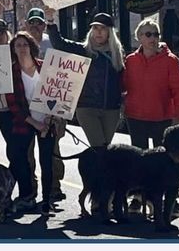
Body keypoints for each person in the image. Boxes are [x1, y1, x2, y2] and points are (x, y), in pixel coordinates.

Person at [2, 33, 65, 216]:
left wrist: (51, 117)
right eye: (17, 45)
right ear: (13, 50)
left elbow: (57, 93)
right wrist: (35, 123)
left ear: (31, 46)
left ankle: (47, 200)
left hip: (47, 120)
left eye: (24, 44)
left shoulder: (45, 67)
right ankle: (28, 196)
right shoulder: (11, 72)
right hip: (25, 122)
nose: (21, 48)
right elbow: (13, 105)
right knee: (22, 159)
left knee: (47, 161)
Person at [47, 12, 125, 149]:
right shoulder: (83, 50)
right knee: (99, 147)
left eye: (102, 28)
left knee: (106, 150)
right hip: (87, 108)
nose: (98, 32)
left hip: (111, 109)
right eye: (95, 28)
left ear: (110, 32)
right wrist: (51, 22)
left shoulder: (117, 54)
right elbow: (59, 44)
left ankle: (100, 171)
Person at [122, 19, 179, 149]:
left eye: (156, 34)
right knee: (139, 160)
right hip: (135, 117)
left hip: (162, 118)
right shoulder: (130, 61)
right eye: (148, 34)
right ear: (139, 37)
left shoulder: (170, 60)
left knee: (162, 159)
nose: (153, 38)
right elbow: (123, 86)